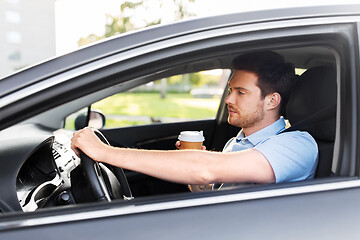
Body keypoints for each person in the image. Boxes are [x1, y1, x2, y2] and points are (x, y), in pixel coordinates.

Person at [71, 51, 318, 192]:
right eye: (230, 89)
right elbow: (208, 193)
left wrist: (103, 152)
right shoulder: (237, 143)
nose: (229, 99)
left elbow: (203, 168)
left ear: (272, 100)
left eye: (240, 92)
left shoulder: (297, 145)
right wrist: (193, 175)